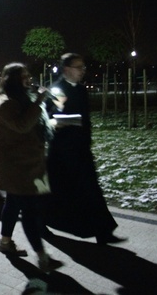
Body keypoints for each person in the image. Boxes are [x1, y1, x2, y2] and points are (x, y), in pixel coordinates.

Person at [45, 53, 126, 244]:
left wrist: (87, 141)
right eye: (78, 67)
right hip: (62, 153)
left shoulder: (81, 90)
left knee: (91, 190)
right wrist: (58, 121)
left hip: (81, 150)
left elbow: (86, 119)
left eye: (83, 67)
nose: (82, 71)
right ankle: (43, 220)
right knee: (62, 192)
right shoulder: (58, 90)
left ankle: (103, 231)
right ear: (66, 69)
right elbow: (50, 117)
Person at [0, 62, 62, 272]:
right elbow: (22, 126)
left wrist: (51, 123)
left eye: (28, 76)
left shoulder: (22, 99)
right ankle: (42, 257)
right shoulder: (5, 103)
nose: (29, 80)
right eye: (24, 77)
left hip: (29, 163)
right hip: (17, 166)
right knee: (29, 210)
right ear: (12, 80)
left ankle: (5, 243)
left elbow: (32, 124)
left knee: (14, 203)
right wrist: (39, 101)